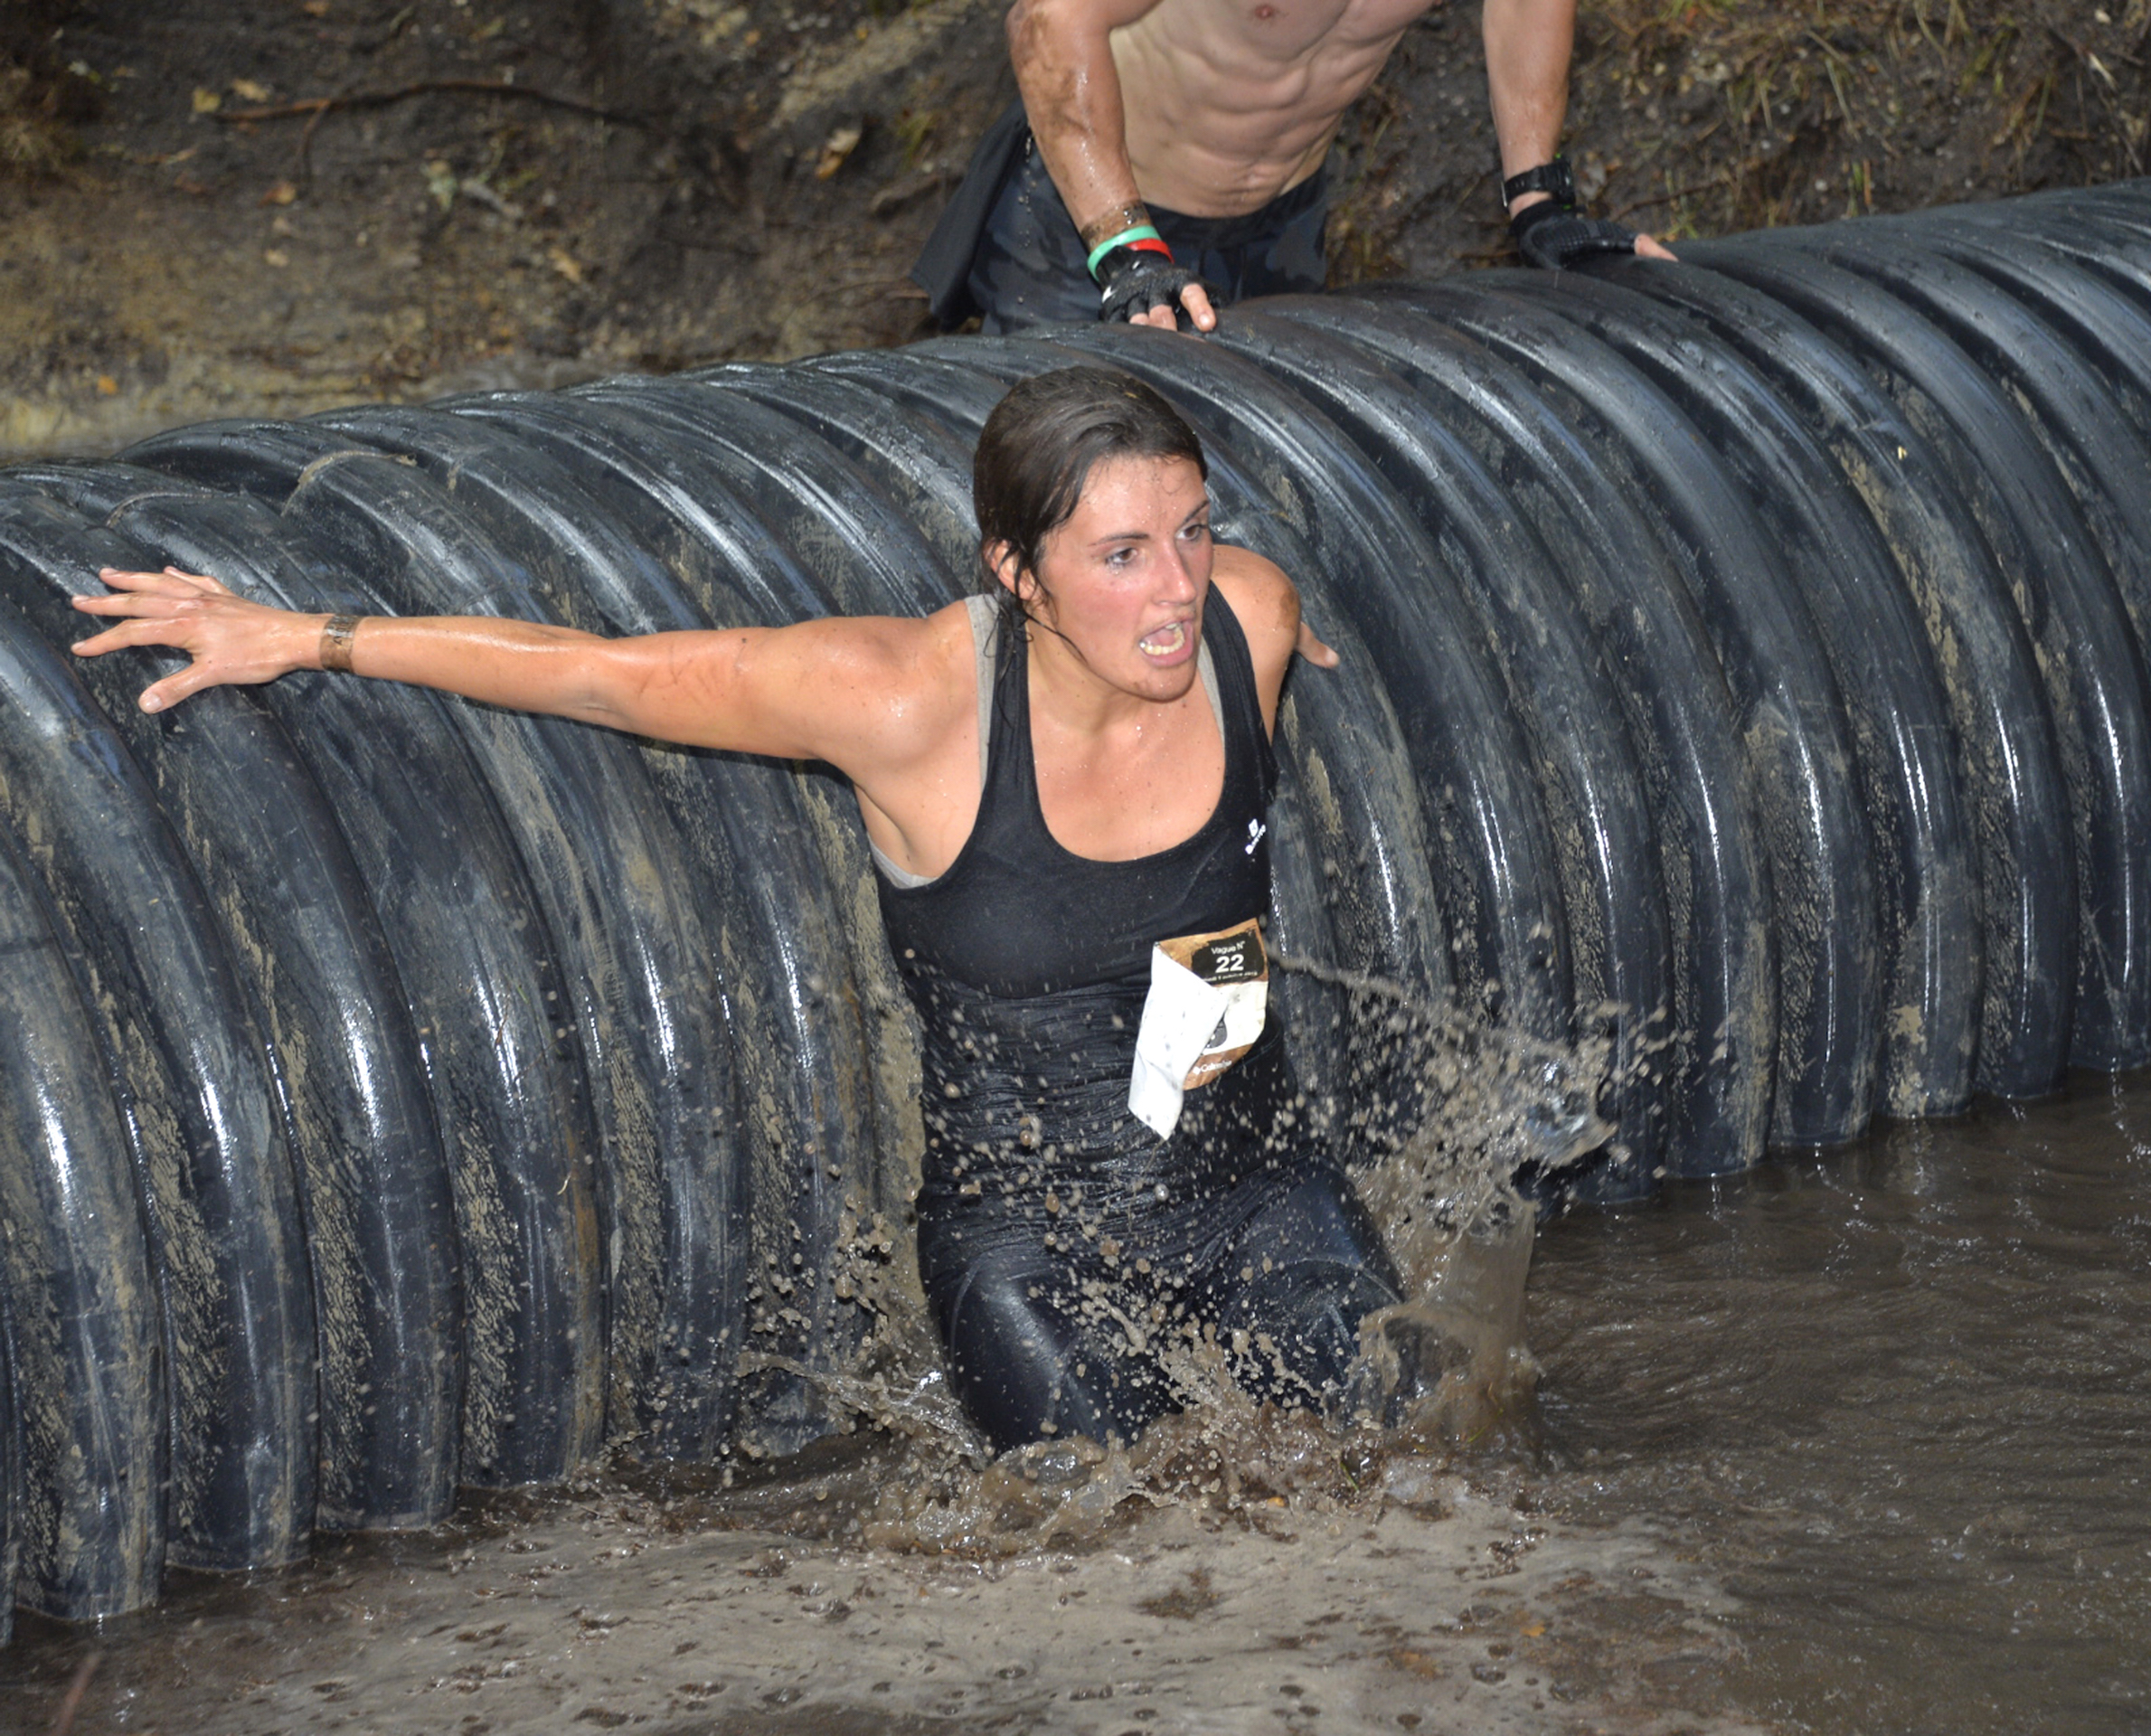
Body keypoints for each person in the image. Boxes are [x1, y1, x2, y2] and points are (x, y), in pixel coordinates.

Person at [71, 366, 1405, 1455]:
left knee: (1420, 1449)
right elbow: (606, 677)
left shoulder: (1250, 620)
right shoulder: (904, 704)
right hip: (1032, 1253)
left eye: (1193, 531)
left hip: (1258, 1194)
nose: (1176, 587)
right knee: (1139, 1567)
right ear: (1018, 572)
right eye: (1121, 555)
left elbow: (1229, 618)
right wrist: (304, 636)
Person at [912, 0, 1675, 333]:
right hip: (1096, 224)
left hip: (1283, 225)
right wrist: (1125, 250)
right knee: (1063, 485)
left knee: (1249, 463)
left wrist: (1540, 203)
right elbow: (1048, 21)